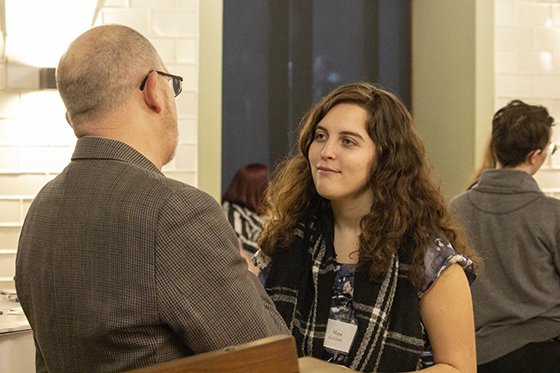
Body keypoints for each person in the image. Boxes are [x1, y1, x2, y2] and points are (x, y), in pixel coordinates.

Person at [14, 25, 288, 373]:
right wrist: (244, 272)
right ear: (154, 89)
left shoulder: (42, 208)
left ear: (72, 118)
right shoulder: (174, 211)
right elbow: (269, 360)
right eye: (173, 85)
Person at [255, 82, 478, 372]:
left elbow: (459, 368)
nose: (326, 151)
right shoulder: (287, 238)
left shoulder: (429, 257)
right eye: (320, 136)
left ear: (386, 159)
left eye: (348, 141)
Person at [450, 100, 560, 373]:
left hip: (477, 355)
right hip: (546, 350)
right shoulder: (552, 213)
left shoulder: (455, 208)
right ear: (535, 155)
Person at [222, 163, 269, 254]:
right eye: (267, 183)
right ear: (256, 188)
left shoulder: (263, 208)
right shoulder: (233, 213)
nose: (271, 186)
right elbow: (237, 245)